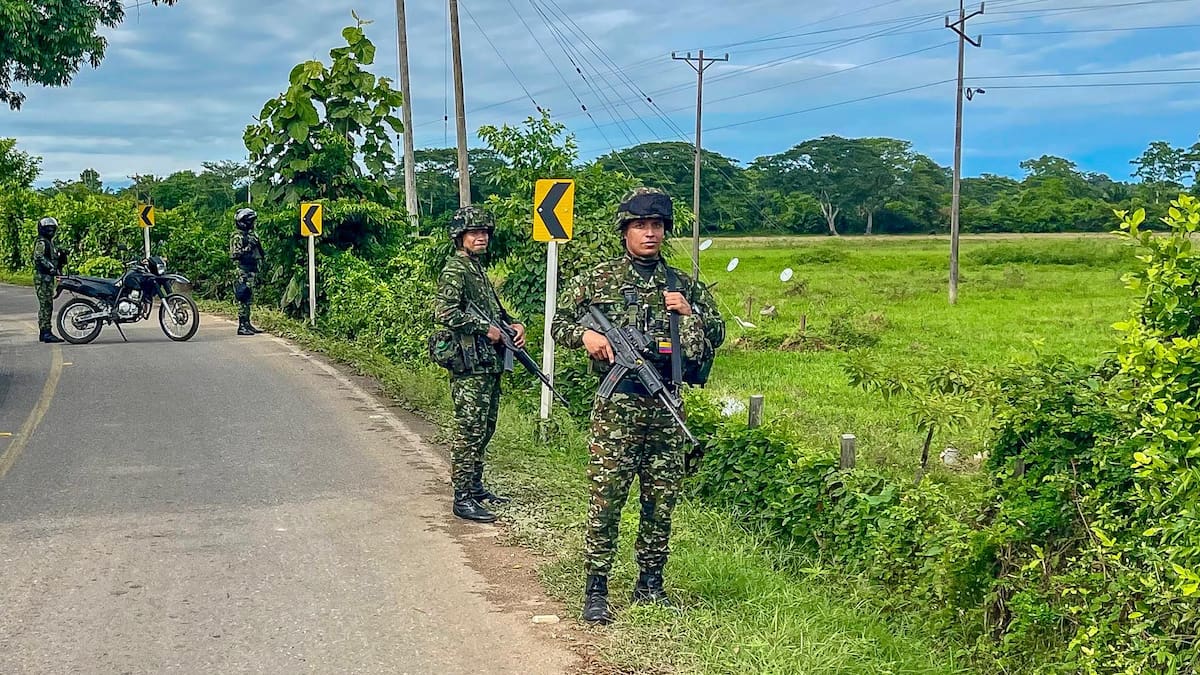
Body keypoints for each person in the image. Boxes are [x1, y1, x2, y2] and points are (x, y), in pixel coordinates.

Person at [551, 187, 724, 624]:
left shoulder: (681, 283)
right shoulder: (599, 279)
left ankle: (650, 583)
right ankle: (596, 587)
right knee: (606, 500)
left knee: (661, 500)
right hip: (617, 410)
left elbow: (717, 334)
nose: (650, 234)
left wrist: (690, 313)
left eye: (657, 226)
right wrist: (587, 337)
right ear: (625, 231)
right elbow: (558, 324)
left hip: (666, 407)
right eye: (641, 226)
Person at [433, 206, 527, 523]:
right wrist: (485, 329)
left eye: (485, 232)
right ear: (460, 237)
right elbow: (444, 313)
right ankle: (462, 497)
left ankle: (474, 486)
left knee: (485, 428)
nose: (481, 237)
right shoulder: (455, 269)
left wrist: (512, 325)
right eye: (475, 232)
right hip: (468, 364)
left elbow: (495, 312)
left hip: (487, 362)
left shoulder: (475, 269)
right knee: (469, 430)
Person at [228, 207, 264, 336]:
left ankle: (247, 324)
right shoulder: (237, 236)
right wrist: (249, 246)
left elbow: (260, 252)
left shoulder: (252, 234)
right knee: (242, 297)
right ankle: (242, 325)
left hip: (251, 270)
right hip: (242, 271)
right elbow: (234, 255)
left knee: (248, 299)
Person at [32, 216, 65, 344]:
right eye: (48, 229)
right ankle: (46, 332)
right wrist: (51, 267)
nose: (51, 231)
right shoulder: (42, 242)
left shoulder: (49, 242)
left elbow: (53, 257)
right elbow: (38, 257)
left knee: (47, 305)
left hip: (47, 277)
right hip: (42, 277)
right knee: (46, 305)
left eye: (53, 229)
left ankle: (44, 332)